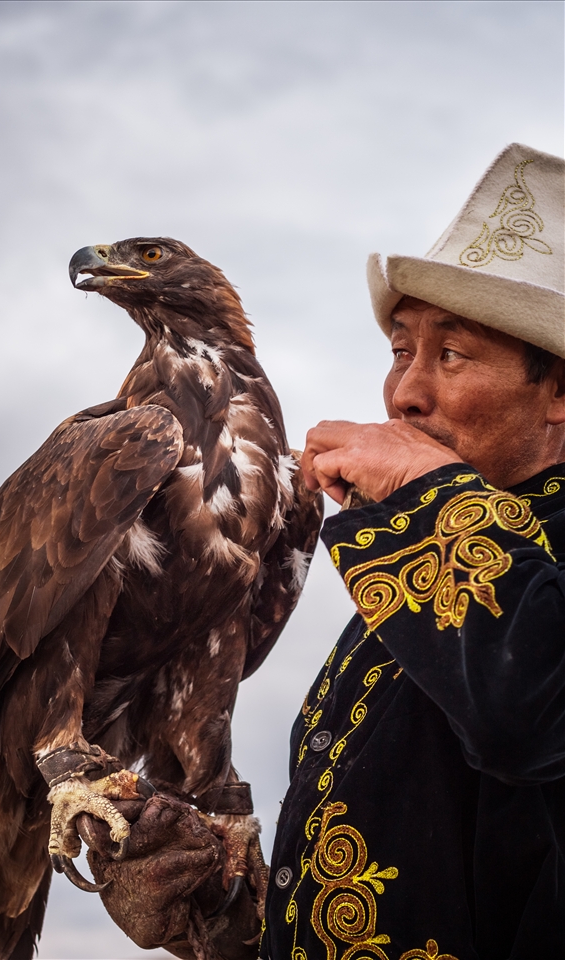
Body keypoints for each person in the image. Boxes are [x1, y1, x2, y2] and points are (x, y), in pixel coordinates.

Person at [86, 142, 565, 958]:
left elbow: (532, 709)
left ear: (558, 392)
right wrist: (221, 918)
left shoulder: (448, 544)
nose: (404, 392)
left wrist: (428, 497)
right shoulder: (425, 582)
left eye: (449, 355)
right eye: (399, 350)